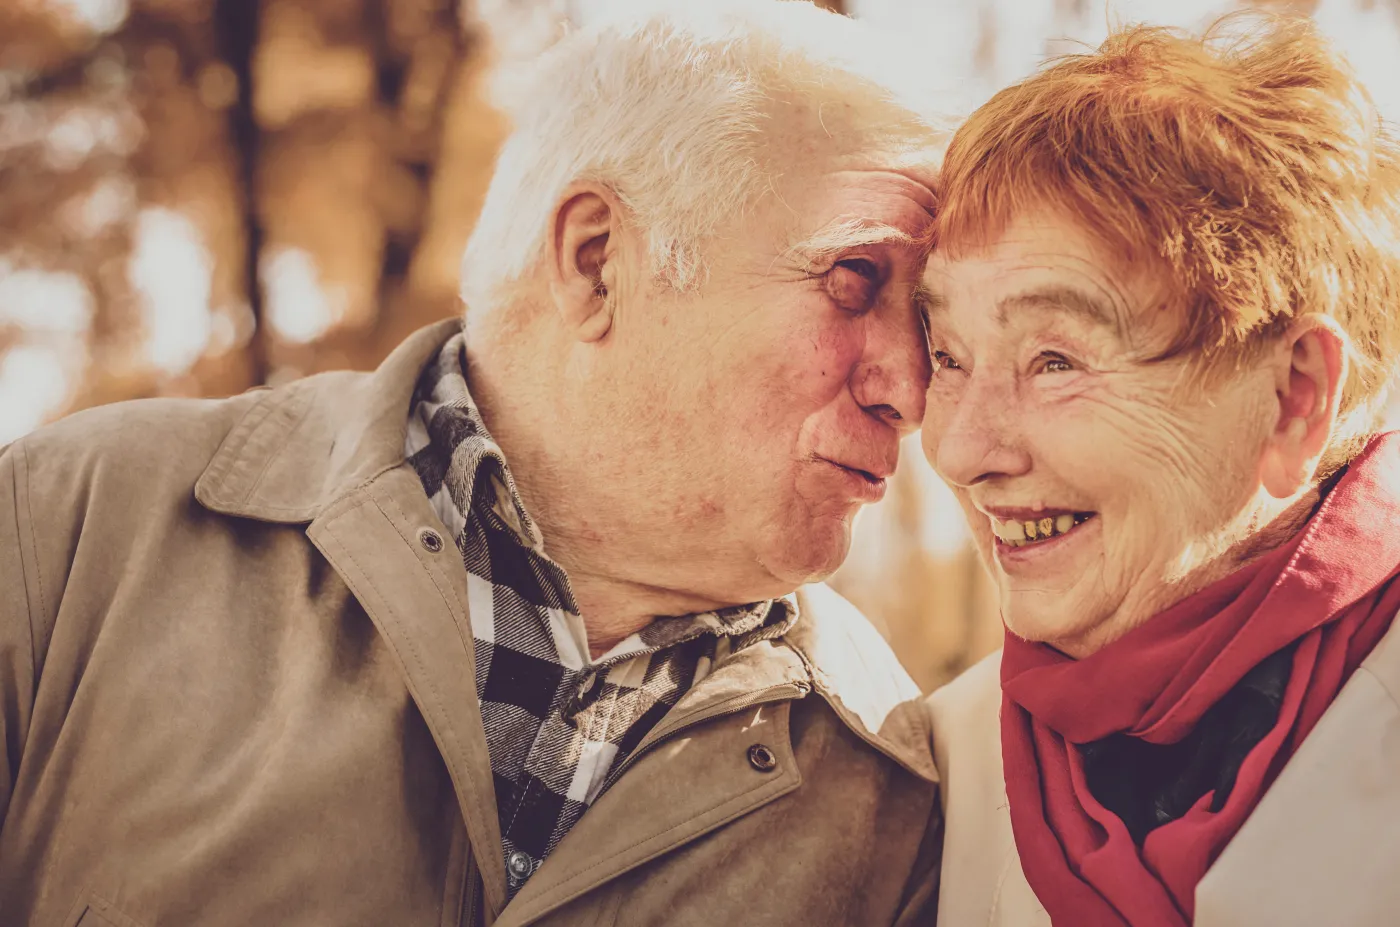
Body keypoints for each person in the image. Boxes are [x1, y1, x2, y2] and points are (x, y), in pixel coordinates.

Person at [0, 4, 948, 925]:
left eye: (931, 323)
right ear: (597, 262)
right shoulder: (71, 536)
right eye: (853, 281)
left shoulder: (902, 786)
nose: (910, 387)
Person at [920, 15, 1400, 927]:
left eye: (1054, 359)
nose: (961, 452)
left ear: (1296, 394)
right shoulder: (929, 768)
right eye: (946, 355)